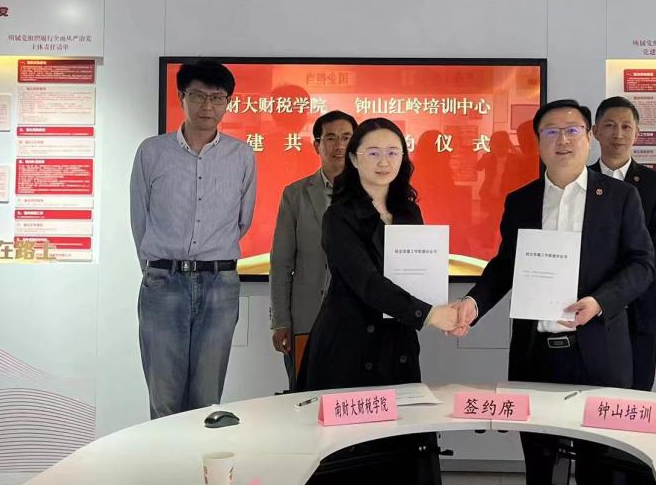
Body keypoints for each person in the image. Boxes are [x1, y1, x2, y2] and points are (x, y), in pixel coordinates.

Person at [451, 100, 655, 485]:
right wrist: (473, 303)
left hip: (598, 352)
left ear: (589, 137)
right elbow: (505, 266)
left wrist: (599, 301)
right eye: (551, 131)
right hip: (536, 356)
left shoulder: (619, 196)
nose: (563, 139)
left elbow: (642, 264)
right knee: (541, 466)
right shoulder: (522, 201)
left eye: (573, 129)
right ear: (538, 143)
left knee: (604, 472)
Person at [130, 60, 255, 419]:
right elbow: (140, 218)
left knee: (207, 399)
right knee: (164, 398)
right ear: (181, 97)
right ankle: (166, 459)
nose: (207, 106)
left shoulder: (241, 155)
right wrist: (158, 269)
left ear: (228, 102)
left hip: (219, 284)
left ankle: (201, 458)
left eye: (217, 98)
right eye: (198, 96)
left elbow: (242, 220)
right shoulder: (152, 152)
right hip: (163, 281)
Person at [301, 118, 459, 392]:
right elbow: (366, 282)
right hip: (348, 344)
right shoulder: (338, 216)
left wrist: (439, 308)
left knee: (404, 417)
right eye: (373, 153)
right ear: (353, 158)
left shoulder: (409, 212)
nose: (384, 162)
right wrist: (429, 314)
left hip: (397, 340)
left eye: (392, 152)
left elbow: (417, 274)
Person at [269, 110, 356, 391]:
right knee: (304, 398)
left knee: (353, 399)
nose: (339, 145)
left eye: (346, 138)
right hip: (307, 318)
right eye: (330, 138)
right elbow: (281, 263)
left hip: (357, 320)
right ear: (316, 145)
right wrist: (281, 321)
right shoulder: (295, 194)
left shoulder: (372, 194)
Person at [590, 96, 656, 392]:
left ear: (637, 133)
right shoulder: (579, 181)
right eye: (609, 126)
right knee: (594, 392)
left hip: (641, 302)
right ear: (595, 131)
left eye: (626, 126)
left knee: (638, 392)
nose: (618, 134)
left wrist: (624, 288)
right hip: (590, 302)